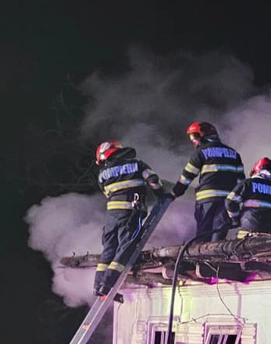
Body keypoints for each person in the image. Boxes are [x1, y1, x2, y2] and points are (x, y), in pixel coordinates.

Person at [93, 141, 168, 297]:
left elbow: (108, 193)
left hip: (111, 216)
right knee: (126, 248)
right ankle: (107, 284)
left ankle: (98, 285)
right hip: (131, 213)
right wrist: (161, 194)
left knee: (108, 250)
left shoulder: (102, 174)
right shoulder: (137, 164)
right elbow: (153, 179)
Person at [172, 121, 245, 241]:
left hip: (206, 200)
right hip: (226, 200)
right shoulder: (234, 154)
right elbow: (241, 181)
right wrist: (238, 203)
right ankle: (215, 253)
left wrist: (176, 192)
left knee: (203, 235)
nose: (193, 141)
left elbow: (187, 175)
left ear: (202, 135)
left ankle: (200, 253)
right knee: (219, 236)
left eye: (194, 137)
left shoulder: (201, 152)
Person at [225, 157, 271, 238]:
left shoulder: (248, 184)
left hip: (248, 235)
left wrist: (236, 219)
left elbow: (230, 202)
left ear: (255, 171)